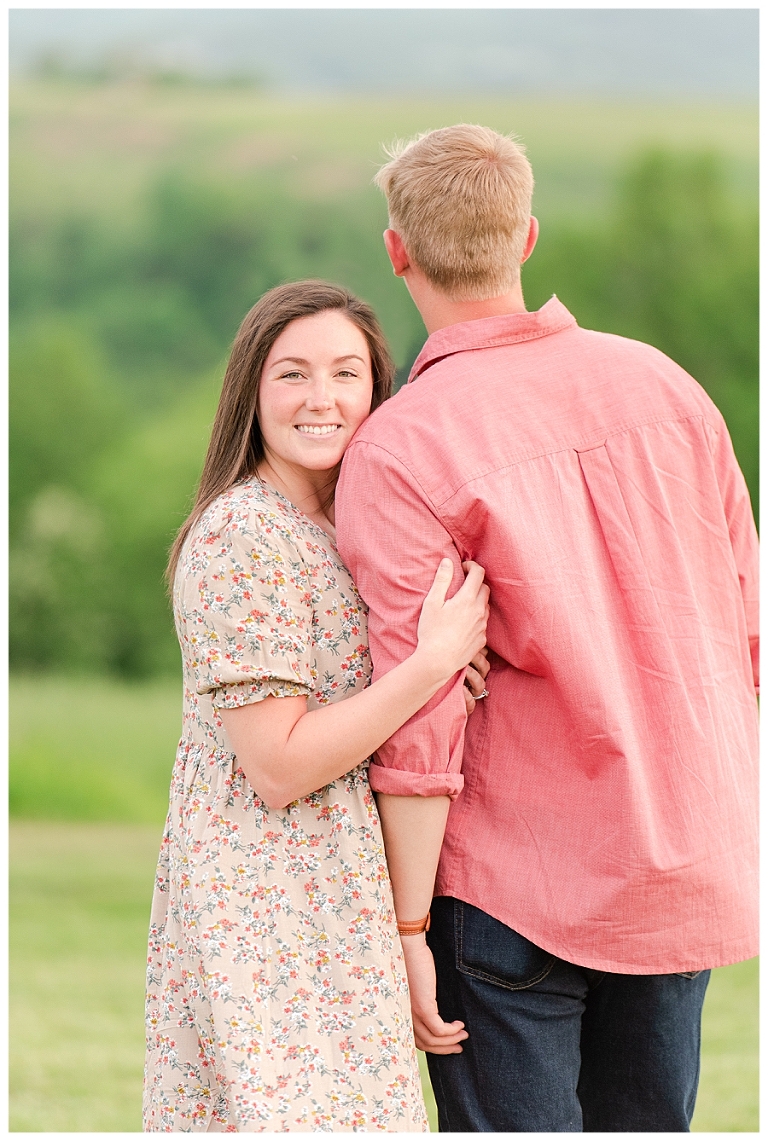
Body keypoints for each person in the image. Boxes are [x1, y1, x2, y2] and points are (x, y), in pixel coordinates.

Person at [335, 124, 759, 1132]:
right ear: (527, 239)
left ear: (397, 251)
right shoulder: (669, 390)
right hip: (682, 858)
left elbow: (423, 722)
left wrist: (402, 928)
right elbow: (748, 632)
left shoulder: (401, 444)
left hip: (510, 892)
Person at [143, 280, 491, 1132]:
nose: (323, 399)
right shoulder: (244, 536)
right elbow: (279, 764)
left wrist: (444, 673)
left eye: (346, 373)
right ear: (250, 393)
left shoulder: (341, 528)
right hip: (264, 899)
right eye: (292, 375)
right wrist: (428, 664)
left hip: (339, 889)